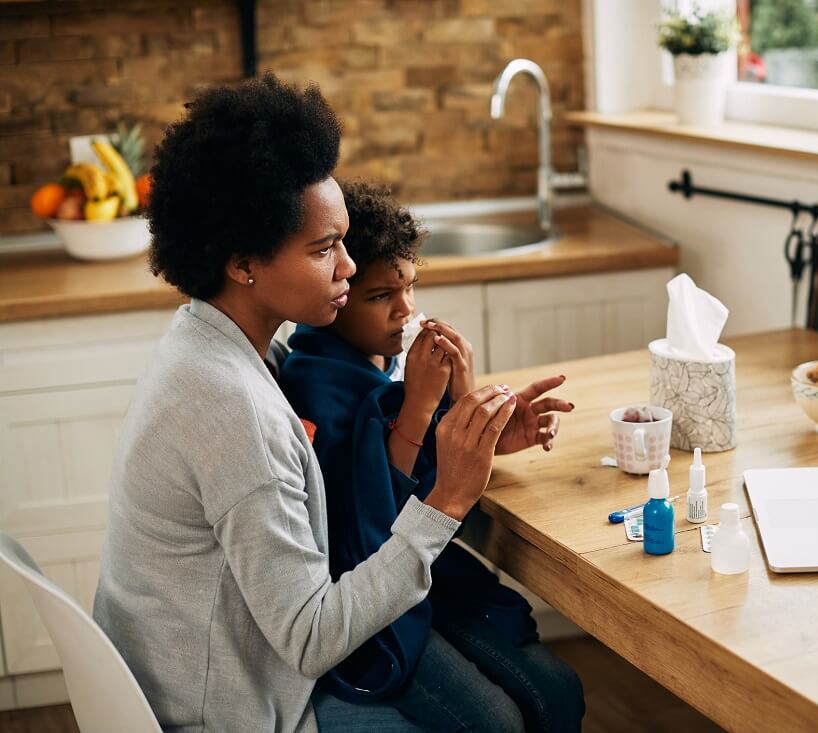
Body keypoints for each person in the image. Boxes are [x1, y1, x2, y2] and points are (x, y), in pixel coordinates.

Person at [93, 73, 521, 733]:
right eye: (325, 249)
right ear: (243, 263)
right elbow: (312, 636)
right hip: (229, 706)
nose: (350, 266)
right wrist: (448, 502)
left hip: (228, 664)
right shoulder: (233, 409)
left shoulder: (218, 343)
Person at [278, 180, 584, 732]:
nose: (405, 310)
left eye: (411, 288)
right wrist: (420, 407)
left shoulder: (376, 363)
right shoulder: (318, 383)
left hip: (424, 576)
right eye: (380, 297)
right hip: (369, 607)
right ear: (338, 296)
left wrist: (480, 423)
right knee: (497, 720)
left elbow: (427, 482)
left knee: (560, 690)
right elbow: (372, 527)